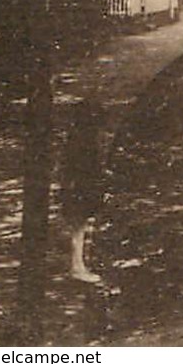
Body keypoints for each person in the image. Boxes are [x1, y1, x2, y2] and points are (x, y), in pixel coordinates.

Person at [62, 99, 105, 284]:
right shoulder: (83, 140)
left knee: (80, 226)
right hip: (80, 186)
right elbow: (81, 166)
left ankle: (79, 264)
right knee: (78, 227)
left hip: (80, 185)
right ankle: (76, 266)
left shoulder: (79, 136)